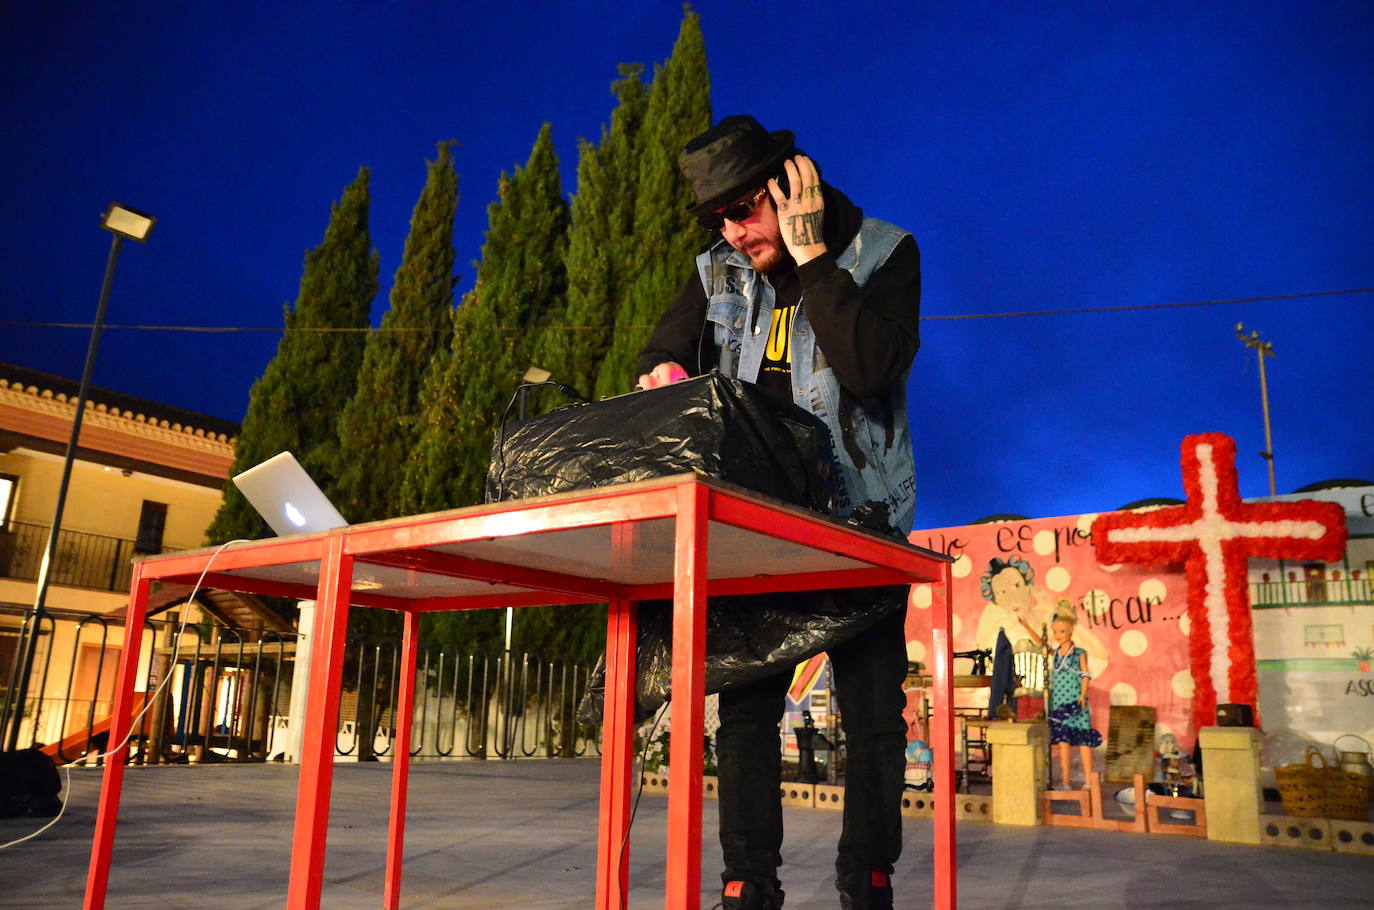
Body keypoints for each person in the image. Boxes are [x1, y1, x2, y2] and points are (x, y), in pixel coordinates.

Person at [636, 115, 921, 910]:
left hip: (858, 522)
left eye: (743, 209)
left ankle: (867, 881)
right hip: (753, 527)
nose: (732, 231)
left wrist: (811, 256)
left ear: (793, 183)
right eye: (717, 218)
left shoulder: (885, 253)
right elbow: (659, 353)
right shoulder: (718, 271)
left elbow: (870, 370)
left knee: (872, 714)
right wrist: (662, 373)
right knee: (746, 710)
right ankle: (747, 884)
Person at [1047, 611, 1102, 788]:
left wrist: (1082, 696)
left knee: (1083, 740)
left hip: (1076, 702)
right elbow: (1041, 644)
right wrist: (1025, 625)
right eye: (1055, 632)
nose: (1058, 635)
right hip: (1059, 703)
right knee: (1063, 742)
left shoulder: (1079, 653)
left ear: (1070, 631)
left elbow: (1085, 675)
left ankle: (1089, 781)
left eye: (1062, 631)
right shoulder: (1056, 653)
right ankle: (1065, 782)